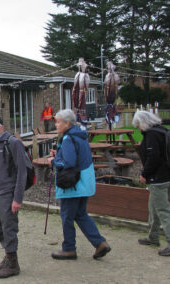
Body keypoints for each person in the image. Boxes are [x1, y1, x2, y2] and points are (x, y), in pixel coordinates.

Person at [47, 109, 110, 260]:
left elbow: (68, 163)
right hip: (85, 182)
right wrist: (60, 154)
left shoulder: (68, 138)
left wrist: (53, 161)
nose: (56, 124)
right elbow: (75, 157)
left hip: (73, 184)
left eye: (58, 121)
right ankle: (100, 243)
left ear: (67, 123)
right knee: (80, 214)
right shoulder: (80, 136)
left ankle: (69, 248)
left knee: (67, 215)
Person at [0, 115, 27, 278]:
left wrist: (17, 198)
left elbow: (22, 172)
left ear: (2, 127)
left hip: (8, 194)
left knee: (9, 228)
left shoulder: (13, 143)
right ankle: (8, 257)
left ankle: (13, 264)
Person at [132, 110, 170, 257]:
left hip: (158, 179)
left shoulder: (152, 135)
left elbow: (152, 158)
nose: (138, 129)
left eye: (138, 126)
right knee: (153, 207)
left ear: (142, 123)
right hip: (166, 176)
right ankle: (153, 237)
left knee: (163, 211)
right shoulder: (162, 131)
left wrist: (144, 174)